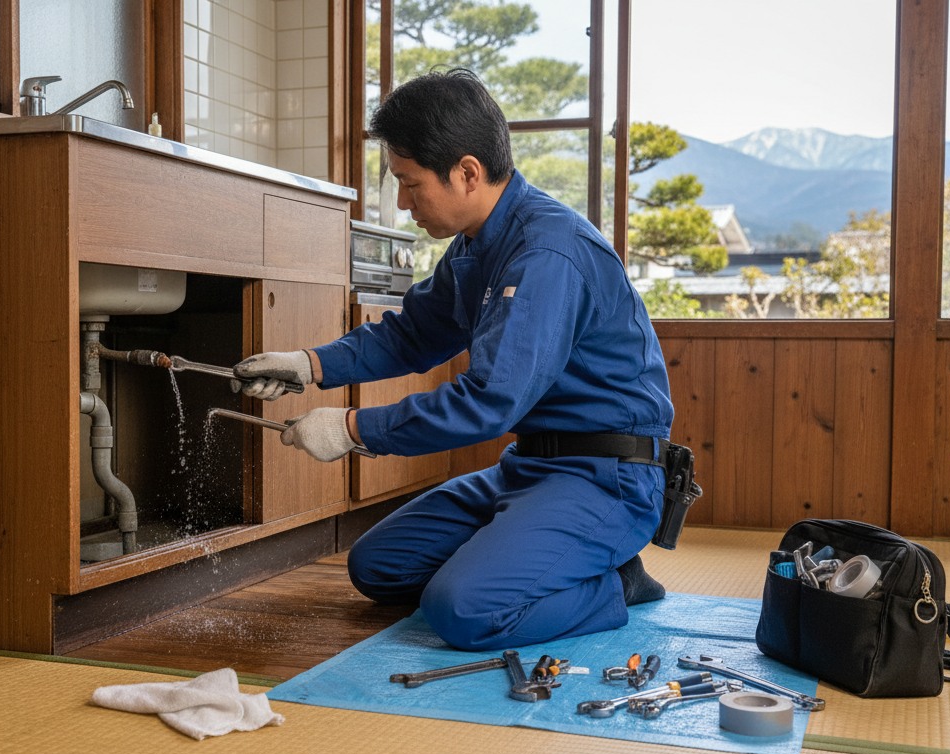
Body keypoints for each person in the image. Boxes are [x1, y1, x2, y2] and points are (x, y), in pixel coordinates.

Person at [230, 69, 674, 652]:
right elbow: (413, 335)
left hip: (606, 480)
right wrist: (308, 364)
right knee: (378, 568)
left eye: (410, 184)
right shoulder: (477, 243)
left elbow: (489, 400)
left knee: (463, 609)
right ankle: (526, 555)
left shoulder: (546, 252)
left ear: (467, 172)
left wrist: (351, 428)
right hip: (530, 469)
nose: (403, 202)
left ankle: (616, 583)